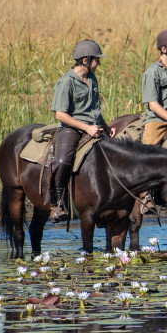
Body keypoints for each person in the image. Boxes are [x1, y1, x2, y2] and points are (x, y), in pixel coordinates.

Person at [50, 39, 117, 221]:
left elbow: (94, 109)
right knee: (63, 161)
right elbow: (60, 115)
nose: (99, 63)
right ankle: (56, 203)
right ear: (85, 60)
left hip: (94, 128)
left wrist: (106, 126)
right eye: (96, 59)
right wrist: (86, 127)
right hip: (72, 129)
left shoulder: (92, 79)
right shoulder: (66, 82)